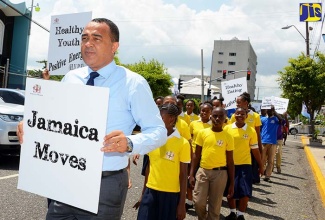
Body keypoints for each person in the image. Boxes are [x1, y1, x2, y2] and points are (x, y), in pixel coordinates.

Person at [17, 18, 167, 220]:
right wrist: (31, 126)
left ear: (115, 46)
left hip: (105, 185)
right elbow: (56, 121)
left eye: (97, 38)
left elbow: (158, 131)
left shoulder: (133, 83)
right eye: (84, 38)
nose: (88, 43)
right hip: (64, 179)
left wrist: (130, 143)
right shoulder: (71, 78)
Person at [136, 103, 191, 220]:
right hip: (150, 192)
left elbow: (183, 175)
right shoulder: (153, 140)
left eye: (160, 118)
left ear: (171, 119)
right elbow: (149, 167)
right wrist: (143, 194)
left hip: (170, 196)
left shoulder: (183, 143)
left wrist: (181, 204)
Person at [189, 107, 235, 220]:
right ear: (211, 117)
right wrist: (191, 174)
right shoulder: (202, 133)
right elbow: (196, 155)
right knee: (198, 202)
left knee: (215, 208)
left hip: (220, 174)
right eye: (215, 116)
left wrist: (232, 183)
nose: (217, 119)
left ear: (225, 119)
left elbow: (230, 161)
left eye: (220, 116)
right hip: (203, 171)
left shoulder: (228, 137)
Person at [224, 107, 263, 220]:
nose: (240, 116)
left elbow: (255, 150)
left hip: (245, 165)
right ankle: (232, 212)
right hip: (229, 165)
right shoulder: (227, 129)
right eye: (237, 113)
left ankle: (241, 214)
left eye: (242, 114)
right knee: (230, 190)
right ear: (234, 115)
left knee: (245, 191)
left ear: (246, 116)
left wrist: (261, 165)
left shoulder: (251, 131)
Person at [230, 92, 262, 184]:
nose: (237, 104)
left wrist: (260, 149)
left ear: (246, 102)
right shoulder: (233, 116)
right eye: (236, 102)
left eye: (239, 102)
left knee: (249, 172)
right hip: (237, 148)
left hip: (251, 149)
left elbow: (257, 134)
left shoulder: (255, 116)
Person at [260, 105, 282, 182]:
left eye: (270, 110)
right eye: (268, 110)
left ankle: (267, 176)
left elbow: (281, 121)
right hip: (263, 142)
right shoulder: (262, 119)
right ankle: (260, 173)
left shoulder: (276, 119)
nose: (269, 112)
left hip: (273, 143)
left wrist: (274, 112)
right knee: (262, 160)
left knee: (271, 160)